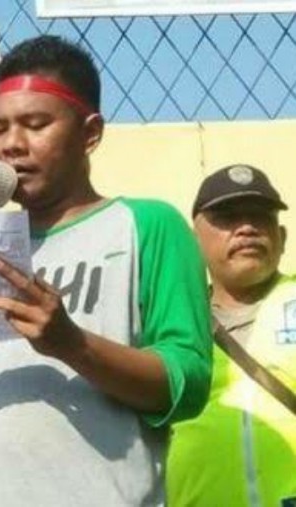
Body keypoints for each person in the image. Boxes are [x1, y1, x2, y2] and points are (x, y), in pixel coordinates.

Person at [0, 35, 213, 506]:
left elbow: (186, 383)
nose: (12, 144)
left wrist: (72, 344)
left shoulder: (148, 225)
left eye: (36, 124)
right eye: (0, 127)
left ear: (90, 133)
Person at [167, 164, 296, 505]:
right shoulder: (170, 322)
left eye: (261, 218)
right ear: (193, 243)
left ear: (281, 239)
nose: (248, 229)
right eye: (228, 218)